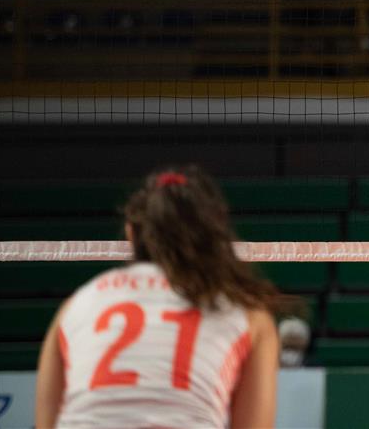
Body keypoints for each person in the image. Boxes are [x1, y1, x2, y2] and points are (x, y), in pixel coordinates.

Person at [34, 166, 282, 428]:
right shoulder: (248, 315)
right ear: (214, 236)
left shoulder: (76, 305)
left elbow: (46, 422)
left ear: (130, 233)